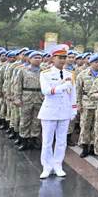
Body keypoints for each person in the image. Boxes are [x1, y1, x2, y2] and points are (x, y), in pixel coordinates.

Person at [38, 44, 77, 179]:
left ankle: (58, 165)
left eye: (64, 57)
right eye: (60, 57)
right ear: (53, 58)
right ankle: (47, 167)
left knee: (61, 141)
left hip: (64, 111)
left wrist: (73, 109)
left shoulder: (70, 74)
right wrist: (61, 86)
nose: (62, 60)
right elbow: (46, 91)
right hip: (49, 111)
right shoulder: (45, 74)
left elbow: (73, 94)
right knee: (47, 141)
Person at [15, 51, 45, 151]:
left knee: (37, 120)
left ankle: (34, 139)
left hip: (39, 98)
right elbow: (18, 85)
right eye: (35, 57)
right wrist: (17, 98)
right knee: (25, 120)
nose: (38, 59)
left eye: (39, 57)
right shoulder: (23, 71)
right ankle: (24, 140)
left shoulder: (44, 71)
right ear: (30, 59)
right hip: (26, 98)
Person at [76, 54, 98, 157]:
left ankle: (93, 146)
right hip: (86, 103)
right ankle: (85, 148)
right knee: (85, 126)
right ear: (91, 63)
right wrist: (78, 104)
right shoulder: (82, 75)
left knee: (97, 127)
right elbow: (78, 91)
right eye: (96, 62)